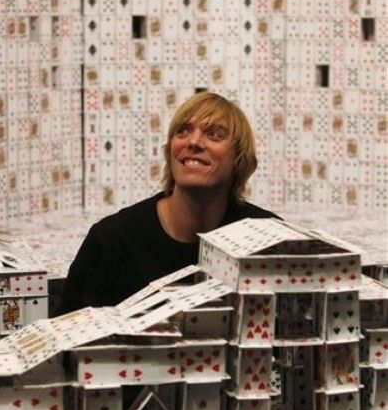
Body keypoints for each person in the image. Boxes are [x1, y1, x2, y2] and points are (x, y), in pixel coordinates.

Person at [55, 92, 280, 316]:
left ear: (239, 159)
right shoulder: (111, 241)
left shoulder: (269, 239)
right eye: (183, 131)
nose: (193, 142)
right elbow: (66, 339)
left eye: (213, 134)